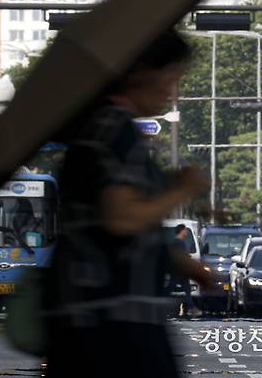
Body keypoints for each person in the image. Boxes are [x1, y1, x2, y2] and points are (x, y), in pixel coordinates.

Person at [44, 30, 216, 378]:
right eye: (172, 77)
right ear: (141, 72)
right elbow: (121, 218)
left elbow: (126, 233)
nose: (172, 90)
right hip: (113, 328)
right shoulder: (112, 127)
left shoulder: (104, 128)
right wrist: (181, 189)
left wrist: (184, 264)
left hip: (102, 320)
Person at [168, 225, 202, 317]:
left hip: (177, 269)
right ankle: (191, 308)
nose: (186, 233)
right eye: (185, 231)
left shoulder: (175, 242)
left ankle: (191, 307)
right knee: (174, 288)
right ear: (181, 231)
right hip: (180, 269)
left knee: (182, 288)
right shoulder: (179, 243)